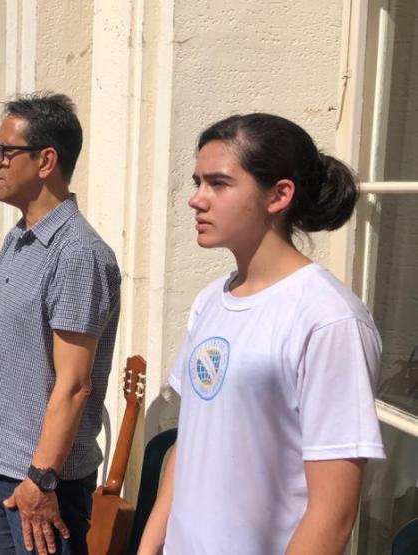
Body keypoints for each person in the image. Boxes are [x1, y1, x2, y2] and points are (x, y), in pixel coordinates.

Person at [137, 114, 385, 555]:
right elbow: (189, 443)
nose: (196, 200)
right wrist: (150, 545)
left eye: (218, 183)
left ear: (279, 195)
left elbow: (334, 513)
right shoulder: (211, 300)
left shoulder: (328, 319)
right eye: (198, 182)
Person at [0, 93, 121, 555]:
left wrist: (40, 479)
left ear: (46, 160)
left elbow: (74, 385)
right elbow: (3, 353)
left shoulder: (77, 254)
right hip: (2, 463)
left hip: (42, 482)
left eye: (5, 152)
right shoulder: (19, 238)